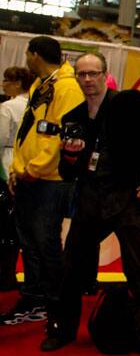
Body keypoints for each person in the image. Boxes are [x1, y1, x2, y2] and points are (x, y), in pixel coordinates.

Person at [40, 52, 140, 355]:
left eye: (92, 73)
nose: (87, 80)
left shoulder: (128, 103)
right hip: (90, 200)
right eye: (81, 74)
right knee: (71, 267)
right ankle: (63, 329)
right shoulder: (73, 117)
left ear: (104, 74)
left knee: (137, 268)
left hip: (128, 198)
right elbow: (67, 172)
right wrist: (71, 155)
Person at [1, 37, 84, 325]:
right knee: (29, 242)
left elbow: (61, 136)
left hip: (50, 179)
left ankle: (55, 304)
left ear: (34, 55)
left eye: (27, 53)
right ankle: (33, 298)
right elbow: (29, 132)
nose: (26, 57)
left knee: (45, 241)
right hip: (29, 176)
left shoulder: (68, 87)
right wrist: (17, 169)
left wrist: (35, 169)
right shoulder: (41, 84)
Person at [0, 66, 34, 290]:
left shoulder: (7, 108)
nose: (3, 84)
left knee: (5, 226)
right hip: (28, 163)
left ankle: (4, 275)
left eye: (7, 80)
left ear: (17, 83)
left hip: (6, 162)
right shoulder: (33, 104)